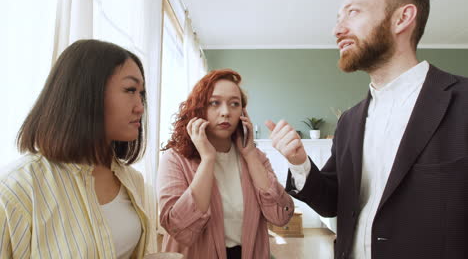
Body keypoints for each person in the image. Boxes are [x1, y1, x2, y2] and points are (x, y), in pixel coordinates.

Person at [266, 0, 468, 258]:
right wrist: (299, 162)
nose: (337, 30)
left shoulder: (462, 101)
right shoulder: (349, 121)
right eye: (338, 18)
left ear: (402, 18)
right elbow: (331, 203)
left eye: (353, 12)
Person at [0, 39, 157, 258]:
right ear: (85, 93)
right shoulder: (16, 192)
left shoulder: (133, 182)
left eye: (142, 94)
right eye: (130, 90)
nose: (140, 107)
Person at [157, 69, 294, 259]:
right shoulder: (174, 159)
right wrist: (207, 160)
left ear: (242, 113)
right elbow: (179, 229)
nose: (226, 112)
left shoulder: (257, 158)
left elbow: (281, 216)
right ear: (198, 109)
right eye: (214, 103)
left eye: (234, 104)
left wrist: (250, 155)